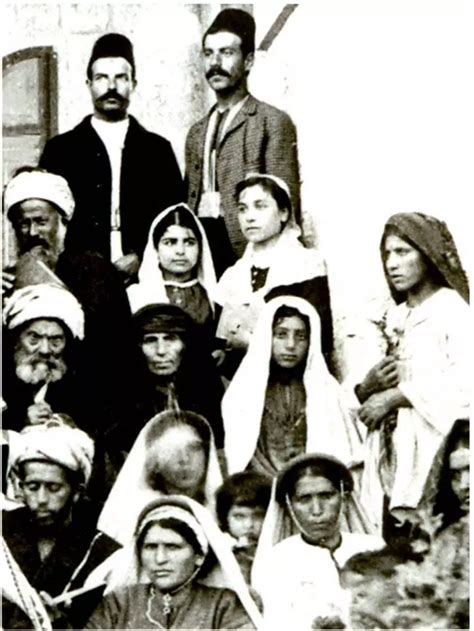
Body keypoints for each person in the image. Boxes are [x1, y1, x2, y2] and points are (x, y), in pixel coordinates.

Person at [350, 212, 470, 537]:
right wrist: (368, 386)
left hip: (433, 457)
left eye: (403, 252)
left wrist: (398, 396)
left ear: (428, 255)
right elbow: (358, 396)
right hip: (391, 458)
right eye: (387, 254)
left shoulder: (453, 312)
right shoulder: (395, 316)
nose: (392, 263)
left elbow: (467, 385)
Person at [2, 167, 139, 437]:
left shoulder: (97, 272)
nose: (32, 232)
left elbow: (118, 359)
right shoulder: (8, 279)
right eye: (23, 224)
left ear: (62, 221)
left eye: (41, 221)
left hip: (91, 421)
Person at [39, 33, 184, 279]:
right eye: (102, 78)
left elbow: (174, 215)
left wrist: (142, 256)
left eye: (120, 78)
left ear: (133, 84)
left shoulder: (157, 150)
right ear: (89, 84)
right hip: (79, 278)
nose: (112, 87)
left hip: (147, 276)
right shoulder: (61, 150)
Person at [185, 8, 300, 273]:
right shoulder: (197, 132)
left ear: (248, 61)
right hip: (203, 251)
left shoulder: (271, 121)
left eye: (226, 53)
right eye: (208, 53)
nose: (215, 62)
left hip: (248, 250)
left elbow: (286, 207)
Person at [222, 297, 363, 476]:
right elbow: (243, 456)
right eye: (281, 334)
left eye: (301, 337)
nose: (291, 345)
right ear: (266, 337)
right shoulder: (242, 393)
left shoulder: (327, 391)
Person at [2, 420, 120, 628]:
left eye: (53, 488)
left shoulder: (101, 552)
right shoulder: (2, 532)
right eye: (32, 486)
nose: (41, 499)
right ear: (20, 488)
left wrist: (60, 623)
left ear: (77, 492)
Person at [85, 495, 261, 628]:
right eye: (150, 547)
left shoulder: (225, 605)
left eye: (173, 547)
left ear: (199, 555)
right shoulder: (119, 602)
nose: (159, 559)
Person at [252, 453, 384, 629]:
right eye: (304, 499)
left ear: (343, 497)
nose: (317, 510)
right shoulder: (275, 562)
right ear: (289, 505)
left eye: (327, 496)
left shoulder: (373, 548)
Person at [215, 174, 332, 372]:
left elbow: (319, 339)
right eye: (243, 209)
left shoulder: (306, 265)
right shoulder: (232, 275)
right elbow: (220, 340)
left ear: (283, 213)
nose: (249, 217)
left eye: (260, 206)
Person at [98, 410, 223, 546]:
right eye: (171, 450)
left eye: (194, 448)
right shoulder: (130, 517)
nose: (184, 459)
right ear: (154, 462)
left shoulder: (224, 513)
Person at [112, 302, 224, 450]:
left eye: (170, 339)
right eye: (150, 340)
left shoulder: (212, 392)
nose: (161, 350)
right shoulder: (121, 399)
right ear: (137, 346)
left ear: (185, 344)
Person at [2, 283, 86, 432]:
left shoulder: (78, 387)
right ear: (16, 341)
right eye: (34, 338)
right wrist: (18, 420)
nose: (45, 350)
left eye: (56, 341)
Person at [127, 203, 217, 335]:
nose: (180, 251)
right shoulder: (135, 296)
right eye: (170, 242)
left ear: (200, 249)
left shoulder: (214, 297)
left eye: (189, 242)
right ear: (155, 249)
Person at [215, 472, 271, 584]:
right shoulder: (217, 550)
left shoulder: (279, 549)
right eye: (239, 516)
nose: (249, 525)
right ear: (225, 518)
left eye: (258, 516)